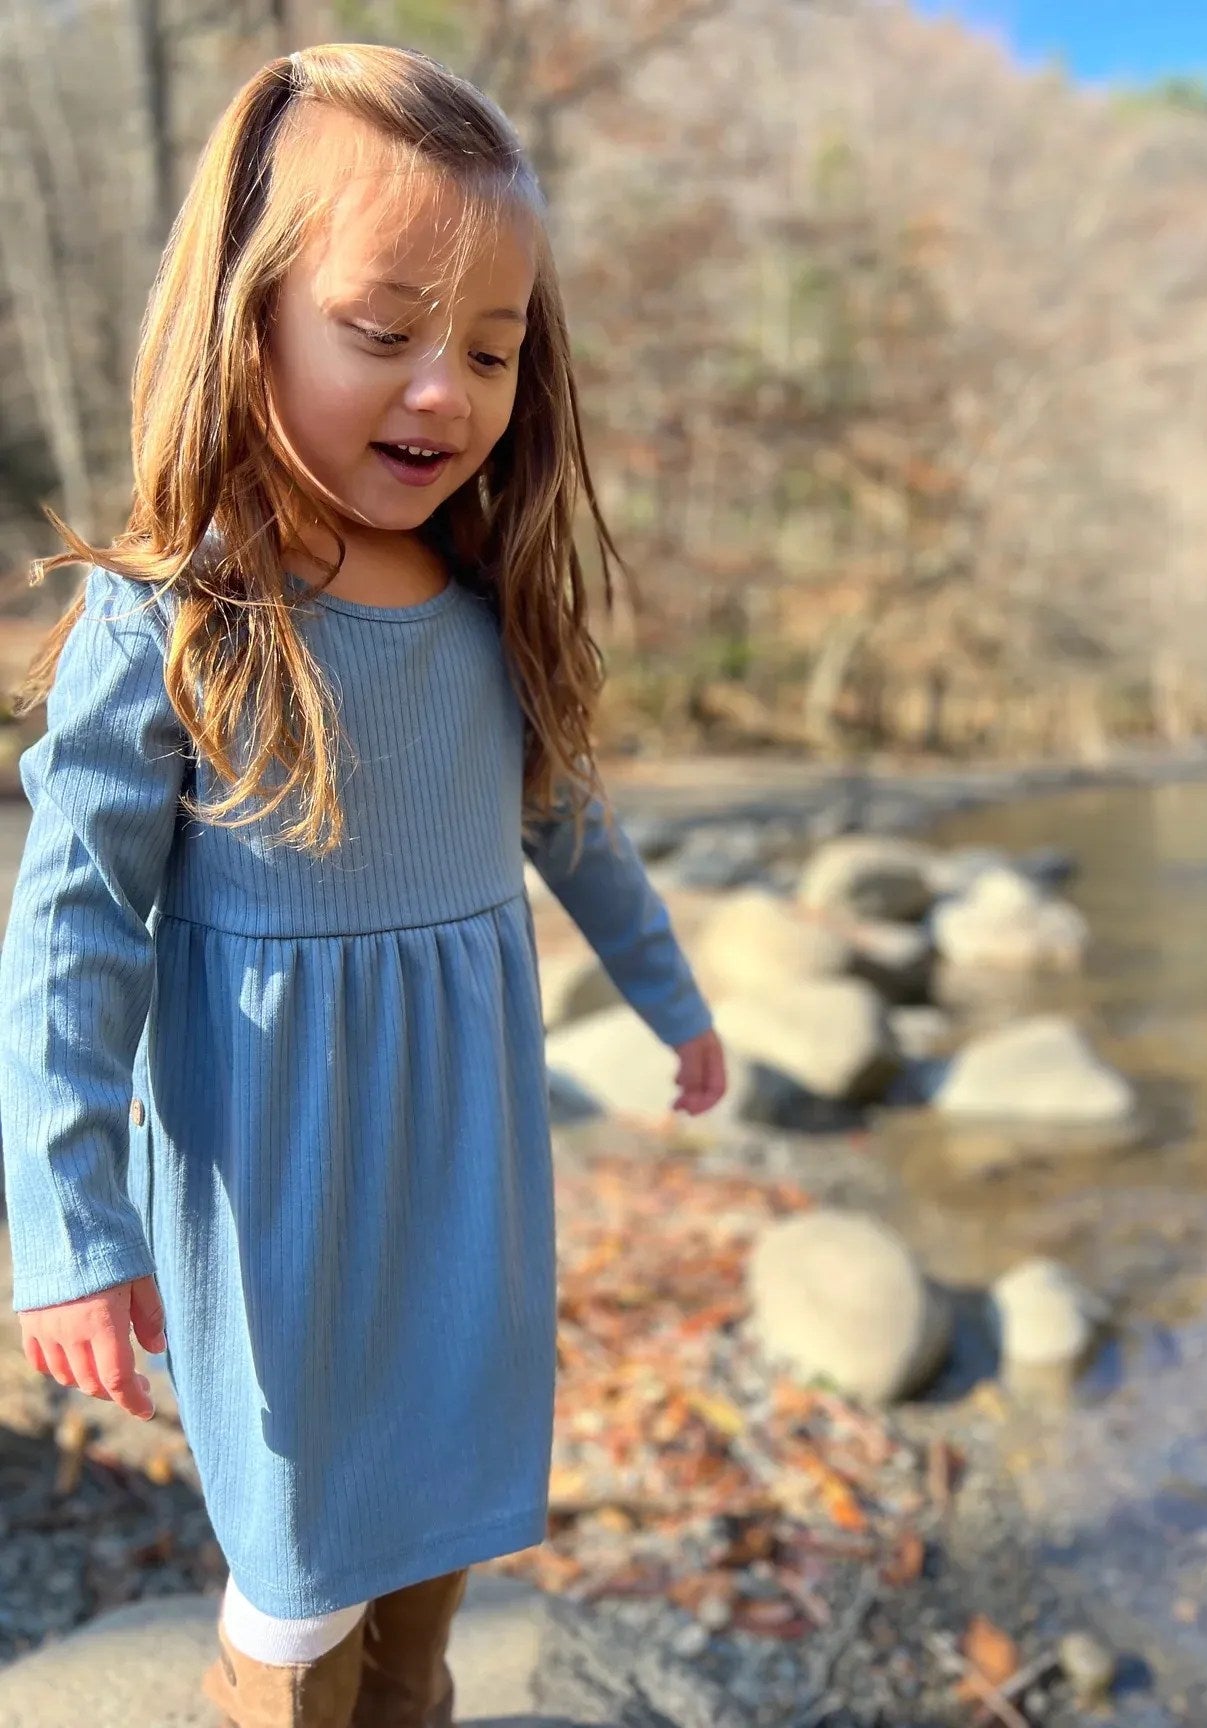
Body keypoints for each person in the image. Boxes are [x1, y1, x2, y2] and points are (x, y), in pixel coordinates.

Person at [0, 42, 727, 1728]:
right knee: (304, 1570)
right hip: (283, 1179)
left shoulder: (488, 607)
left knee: (429, 1556)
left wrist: (675, 1003)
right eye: (382, 332)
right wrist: (67, 1223)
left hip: (467, 1171)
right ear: (244, 316)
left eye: (488, 349)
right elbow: (70, 934)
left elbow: (577, 831)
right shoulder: (181, 615)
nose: (442, 394)